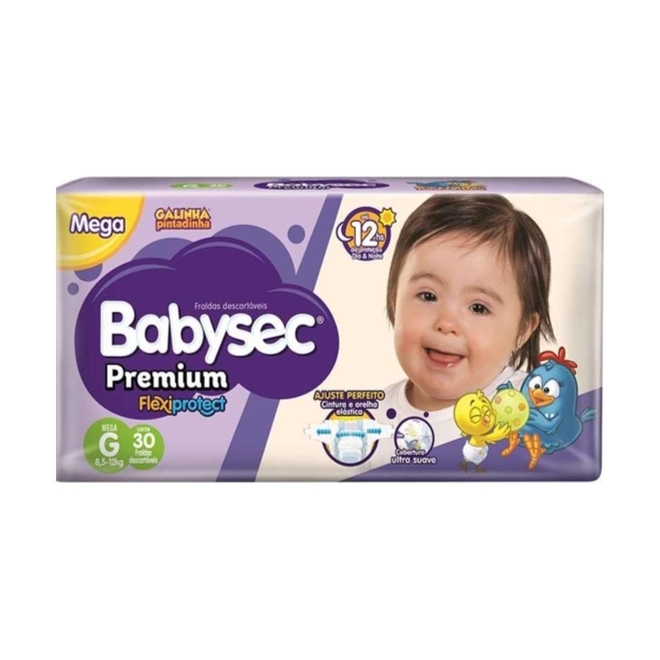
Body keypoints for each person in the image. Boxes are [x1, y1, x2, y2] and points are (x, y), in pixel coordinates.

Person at [373, 194, 555, 457]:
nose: (446, 324)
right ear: (394, 298)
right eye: (428, 296)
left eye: (478, 308)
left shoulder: (529, 409)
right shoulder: (371, 419)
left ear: (523, 329)